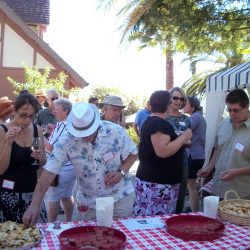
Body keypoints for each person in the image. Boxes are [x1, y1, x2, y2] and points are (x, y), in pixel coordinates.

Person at [22, 102, 138, 226]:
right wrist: (34, 205)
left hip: (120, 197)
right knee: (91, 239)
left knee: (120, 238)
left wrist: (121, 172)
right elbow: (49, 172)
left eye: (89, 131)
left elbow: (133, 153)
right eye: (81, 132)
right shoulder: (66, 140)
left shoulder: (115, 131)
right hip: (90, 202)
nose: (86, 135)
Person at [133, 90, 192, 216]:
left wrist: (177, 138)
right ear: (167, 105)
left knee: (144, 219)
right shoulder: (159, 123)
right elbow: (162, 151)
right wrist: (184, 136)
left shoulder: (149, 121)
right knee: (158, 223)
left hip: (149, 180)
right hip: (159, 184)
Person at [0, 92, 47, 223]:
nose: (27, 120)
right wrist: (8, 143)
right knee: (11, 239)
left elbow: (41, 164)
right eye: (23, 115)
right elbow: (1, 170)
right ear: (14, 111)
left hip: (31, 195)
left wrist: (41, 158)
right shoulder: (3, 131)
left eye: (31, 116)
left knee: (37, 238)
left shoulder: (36, 130)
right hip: (8, 195)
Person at [198, 88, 250, 199]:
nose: (232, 114)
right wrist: (209, 167)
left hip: (241, 194)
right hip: (218, 188)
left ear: (246, 107)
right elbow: (218, 148)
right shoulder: (225, 122)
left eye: (236, 110)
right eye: (229, 109)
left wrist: (237, 172)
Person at [45, 98, 76, 222]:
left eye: (56, 110)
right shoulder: (65, 123)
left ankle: (51, 225)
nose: (54, 112)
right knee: (67, 195)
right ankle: (69, 222)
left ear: (66, 111)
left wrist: (39, 137)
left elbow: (53, 148)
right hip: (69, 167)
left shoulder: (65, 125)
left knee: (53, 197)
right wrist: (49, 133)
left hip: (60, 168)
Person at [166, 87, 191, 213]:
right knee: (166, 191)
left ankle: (178, 218)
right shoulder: (163, 117)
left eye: (181, 99)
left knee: (181, 192)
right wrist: (181, 139)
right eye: (175, 98)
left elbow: (190, 141)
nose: (178, 101)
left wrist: (181, 140)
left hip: (181, 159)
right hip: (165, 159)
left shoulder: (186, 119)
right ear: (169, 98)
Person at [184, 96, 206, 212]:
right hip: (198, 155)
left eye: (186, 104)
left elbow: (183, 130)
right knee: (192, 186)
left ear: (192, 106)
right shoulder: (199, 117)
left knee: (191, 187)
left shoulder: (195, 117)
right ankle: (193, 208)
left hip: (193, 155)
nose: (183, 105)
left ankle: (194, 212)